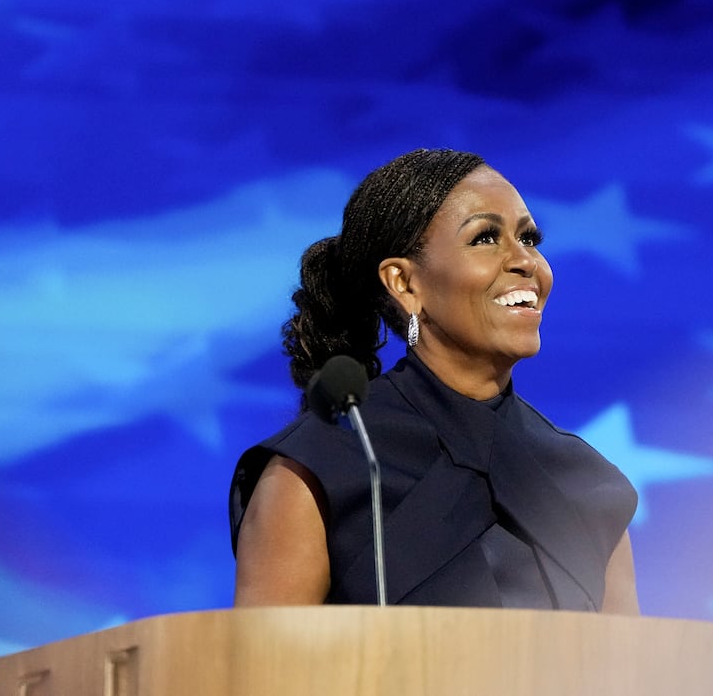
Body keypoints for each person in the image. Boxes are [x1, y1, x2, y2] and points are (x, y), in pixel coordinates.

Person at [229, 148, 640, 613]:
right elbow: (258, 672)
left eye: (529, 238)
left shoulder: (586, 481)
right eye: (485, 238)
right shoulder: (319, 467)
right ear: (405, 284)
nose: (525, 260)